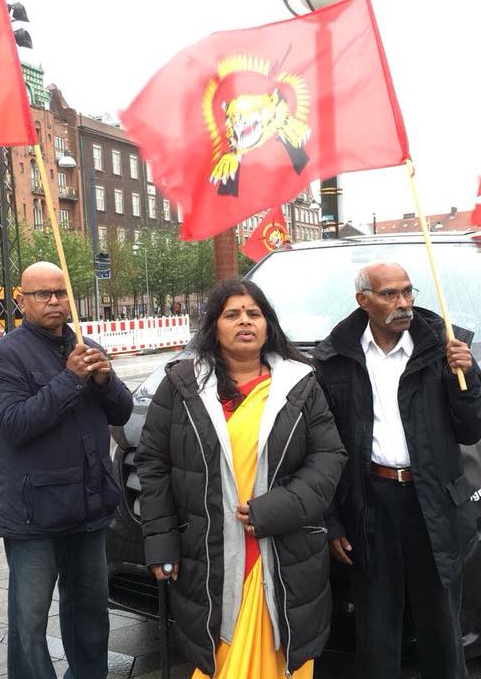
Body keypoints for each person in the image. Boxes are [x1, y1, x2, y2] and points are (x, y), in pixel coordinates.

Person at [136, 278, 346, 679]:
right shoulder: (182, 386)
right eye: (232, 314)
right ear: (214, 327)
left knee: (282, 653)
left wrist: (279, 508)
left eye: (254, 313)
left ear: (268, 325)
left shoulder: (300, 383)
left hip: (283, 547)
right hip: (210, 551)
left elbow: (328, 456)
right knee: (222, 659)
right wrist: (161, 541)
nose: (245, 321)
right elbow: (154, 464)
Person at [313, 261, 481, 679]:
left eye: (408, 291)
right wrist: (333, 521)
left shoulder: (444, 349)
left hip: (432, 502)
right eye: (390, 294)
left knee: (441, 627)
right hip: (370, 503)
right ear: (363, 300)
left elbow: (472, 429)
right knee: (376, 630)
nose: (404, 303)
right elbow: (324, 448)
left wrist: (466, 376)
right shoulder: (336, 358)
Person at [0, 261, 133, 679]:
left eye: (61, 293)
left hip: (88, 505)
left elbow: (122, 412)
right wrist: (70, 379)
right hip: (35, 512)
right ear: (21, 300)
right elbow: (15, 425)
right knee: (29, 621)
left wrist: (105, 381)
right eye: (42, 294)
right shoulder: (3, 357)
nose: (54, 301)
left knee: (90, 613)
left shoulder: (86, 344)